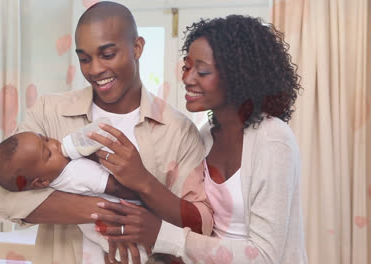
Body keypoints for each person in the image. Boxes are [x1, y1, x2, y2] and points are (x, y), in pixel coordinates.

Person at [0, 2, 213, 264]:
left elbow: (202, 223)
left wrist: (145, 198)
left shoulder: (178, 130)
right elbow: (1, 196)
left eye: (107, 54)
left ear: (137, 47)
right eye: (84, 59)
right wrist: (102, 211)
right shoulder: (49, 112)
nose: (94, 69)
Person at [91, 15, 309, 263]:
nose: (187, 78)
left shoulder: (272, 139)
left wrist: (162, 234)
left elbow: (264, 256)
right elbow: (199, 221)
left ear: (239, 75)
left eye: (202, 71)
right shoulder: (205, 135)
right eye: (187, 67)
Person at [0, 131, 148, 263]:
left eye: (45, 138)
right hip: (129, 225)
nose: (54, 144)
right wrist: (145, 194)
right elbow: (116, 187)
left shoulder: (53, 181)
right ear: (41, 182)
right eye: (49, 154)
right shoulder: (76, 172)